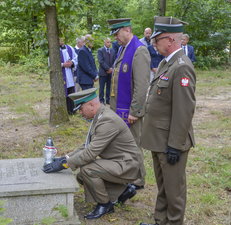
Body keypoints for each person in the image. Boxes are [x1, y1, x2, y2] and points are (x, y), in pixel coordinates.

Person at [43, 88, 145, 220]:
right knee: (82, 176)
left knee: (88, 170)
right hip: (119, 161)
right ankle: (122, 191)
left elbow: (90, 152)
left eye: (81, 109)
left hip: (128, 165)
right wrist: (66, 157)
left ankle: (105, 205)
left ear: (91, 105)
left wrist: (65, 164)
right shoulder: (101, 116)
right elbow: (88, 145)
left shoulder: (107, 120)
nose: (80, 113)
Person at [140, 16, 196, 225]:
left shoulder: (181, 66)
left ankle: (173, 222)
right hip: (159, 138)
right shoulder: (167, 63)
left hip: (170, 141)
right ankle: (160, 221)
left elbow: (184, 110)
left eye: (158, 39)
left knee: (174, 190)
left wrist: (175, 144)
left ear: (170, 40)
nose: (154, 43)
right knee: (164, 186)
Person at [106, 18, 150, 190]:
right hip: (119, 109)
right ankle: (128, 175)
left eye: (117, 34)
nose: (115, 37)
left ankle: (138, 179)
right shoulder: (123, 49)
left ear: (127, 30)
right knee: (124, 144)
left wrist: (135, 110)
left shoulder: (139, 50)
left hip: (130, 111)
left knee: (133, 144)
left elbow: (141, 84)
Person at [59, 37, 78, 114]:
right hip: (61, 74)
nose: (61, 41)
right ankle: (65, 110)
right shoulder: (55, 50)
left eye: (63, 39)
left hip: (69, 73)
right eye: (60, 39)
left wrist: (72, 62)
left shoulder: (69, 48)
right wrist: (63, 64)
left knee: (70, 91)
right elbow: (51, 62)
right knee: (64, 91)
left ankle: (71, 109)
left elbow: (76, 57)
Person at [97, 38, 116, 105]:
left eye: (110, 42)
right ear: (104, 43)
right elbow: (101, 61)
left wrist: (111, 69)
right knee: (102, 87)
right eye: (108, 42)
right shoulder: (100, 51)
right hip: (103, 72)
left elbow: (114, 61)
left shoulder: (112, 51)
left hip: (110, 73)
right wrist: (108, 69)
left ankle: (108, 99)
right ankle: (101, 100)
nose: (109, 43)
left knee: (109, 87)